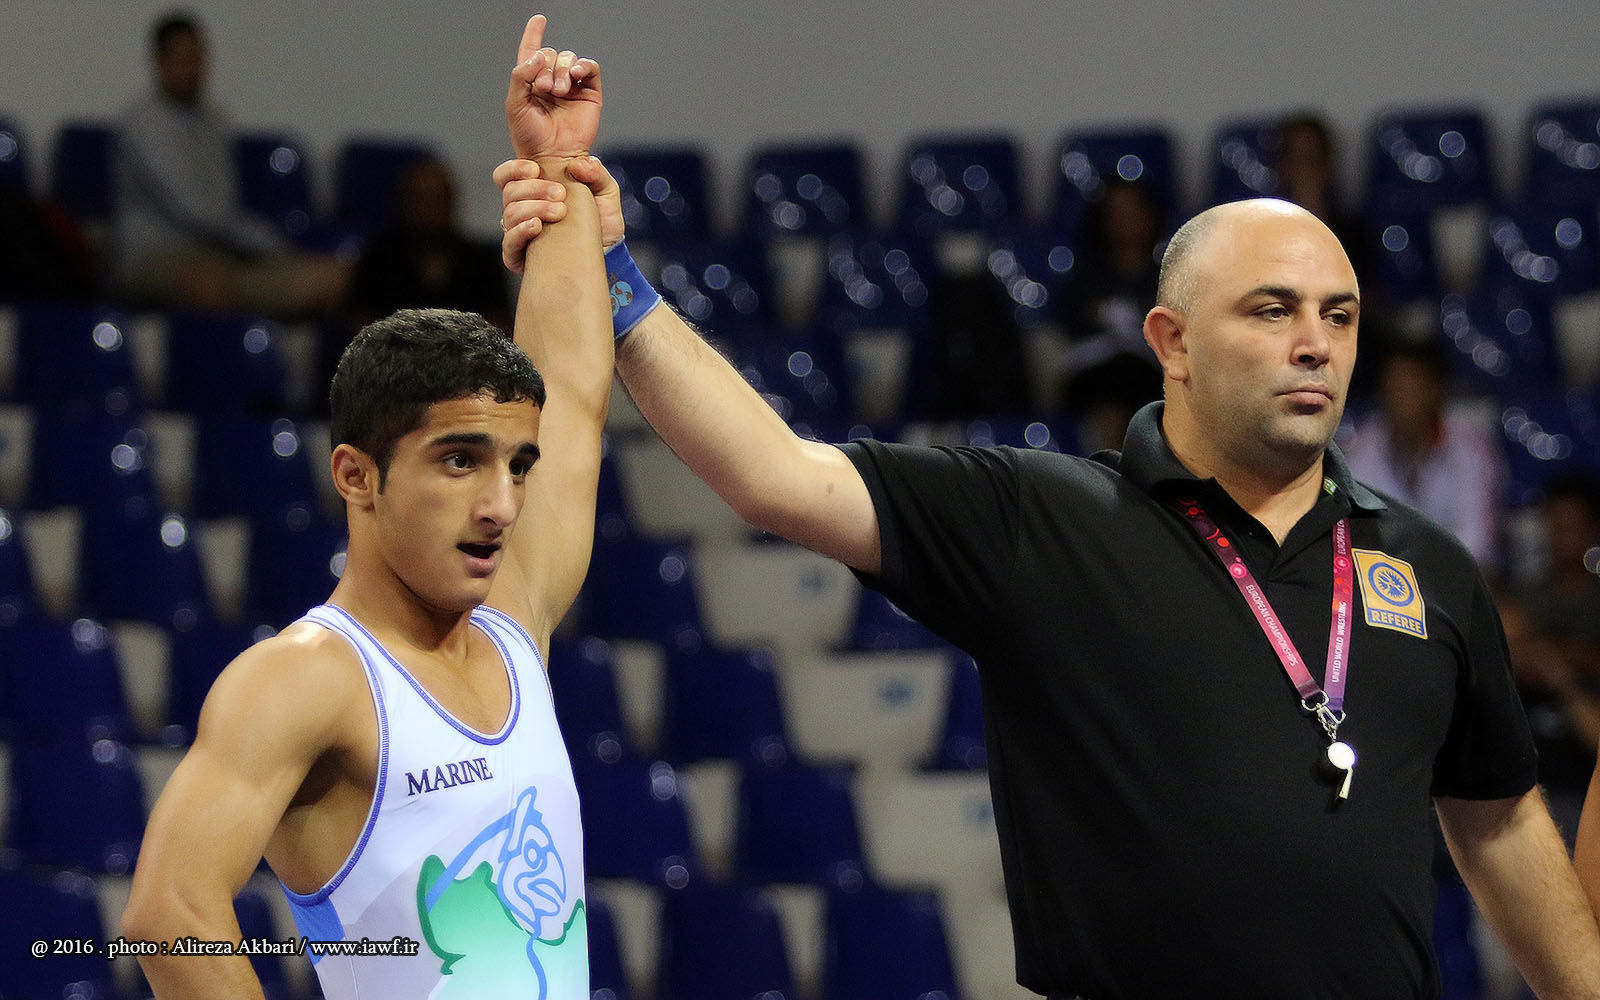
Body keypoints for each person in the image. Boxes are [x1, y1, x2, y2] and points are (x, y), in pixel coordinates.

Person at [498, 141, 1600, 992]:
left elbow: (1499, 819)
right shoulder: (1044, 518)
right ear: (1171, 341)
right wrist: (614, 277)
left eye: (1338, 315)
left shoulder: (1426, 567)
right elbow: (773, 474)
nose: (1315, 341)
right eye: (1272, 310)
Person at [121, 16, 609, 999]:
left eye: (517, 466)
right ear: (356, 476)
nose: (501, 502)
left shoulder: (514, 620)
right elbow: (170, 918)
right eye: (459, 461)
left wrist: (557, 168)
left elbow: (571, 383)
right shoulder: (304, 680)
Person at [110, 11, 349, 315]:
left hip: (220, 252)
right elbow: (199, 211)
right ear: (159, 61)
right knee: (208, 284)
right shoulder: (143, 122)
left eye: (199, 57)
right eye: (184, 58)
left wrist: (270, 248)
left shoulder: (215, 120)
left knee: (336, 277)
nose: (194, 67)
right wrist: (263, 242)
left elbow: (223, 202)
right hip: (156, 258)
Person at [1339, 338, 1506, 570]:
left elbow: (1478, 545)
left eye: (1410, 384)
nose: (1400, 395)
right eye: (1393, 384)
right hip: (1387, 580)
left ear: (1436, 390)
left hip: (1461, 576)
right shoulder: (1364, 447)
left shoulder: (1470, 448)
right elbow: (1359, 536)